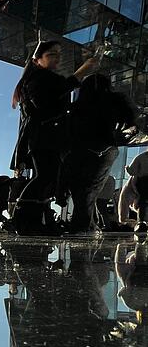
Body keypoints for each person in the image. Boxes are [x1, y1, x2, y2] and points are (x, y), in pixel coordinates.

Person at [10, 40, 96, 235]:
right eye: (51, 54)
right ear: (37, 59)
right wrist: (80, 73)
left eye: (58, 54)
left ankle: (32, 219)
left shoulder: (43, 78)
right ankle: (22, 217)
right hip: (43, 137)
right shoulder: (38, 79)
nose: (57, 57)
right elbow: (45, 103)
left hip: (48, 137)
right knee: (45, 176)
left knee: (48, 178)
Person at [64, 74, 134, 234]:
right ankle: (84, 225)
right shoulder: (116, 100)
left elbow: (70, 131)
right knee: (91, 189)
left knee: (81, 190)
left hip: (82, 150)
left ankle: (82, 225)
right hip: (106, 149)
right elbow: (130, 122)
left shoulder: (78, 106)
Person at [118, 150, 148, 232]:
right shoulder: (141, 157)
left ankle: (141, 223)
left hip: (143, 181)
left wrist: (127, 168)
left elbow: (132, 171)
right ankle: (142, 222)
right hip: (141, 182)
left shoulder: (141, 157)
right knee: (143, 202)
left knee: (142, 202)